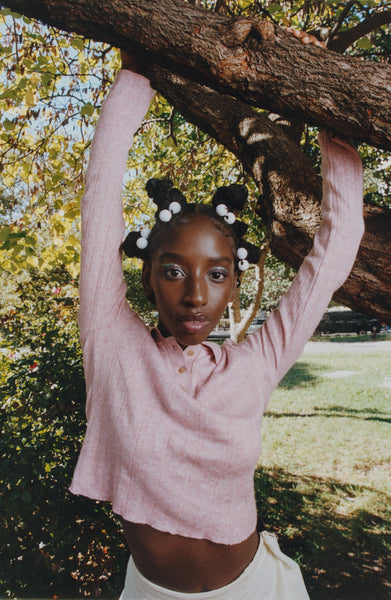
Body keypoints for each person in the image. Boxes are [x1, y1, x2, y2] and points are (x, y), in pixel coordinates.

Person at [69, 49, 364, 599]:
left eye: (217, 273)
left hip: (257, 589)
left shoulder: (256, 364)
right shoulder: (112, 344)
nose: (196, 294)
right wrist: (139, 70)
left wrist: (334, 126)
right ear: (150, 278)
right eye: (175, 271)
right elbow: (101, 196)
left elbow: (328, 263)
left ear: (234, 283)